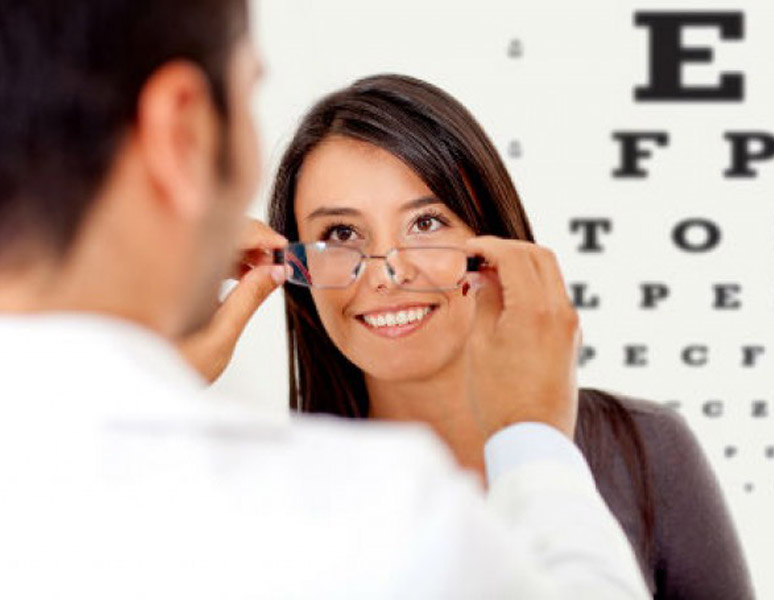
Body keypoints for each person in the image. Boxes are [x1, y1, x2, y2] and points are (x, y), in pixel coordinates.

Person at [0, 1, 649, 598]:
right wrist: (534, 439)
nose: (388, 274)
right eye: (249, 93)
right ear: (184, 130)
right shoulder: (366, 518)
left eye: (426, 222)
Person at [267, 74, 755, 598]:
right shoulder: (268, 494)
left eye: (426, 223)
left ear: (494, 240)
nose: (388, 273)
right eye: (341, 234)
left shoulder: (644, 447)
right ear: (297, 271)